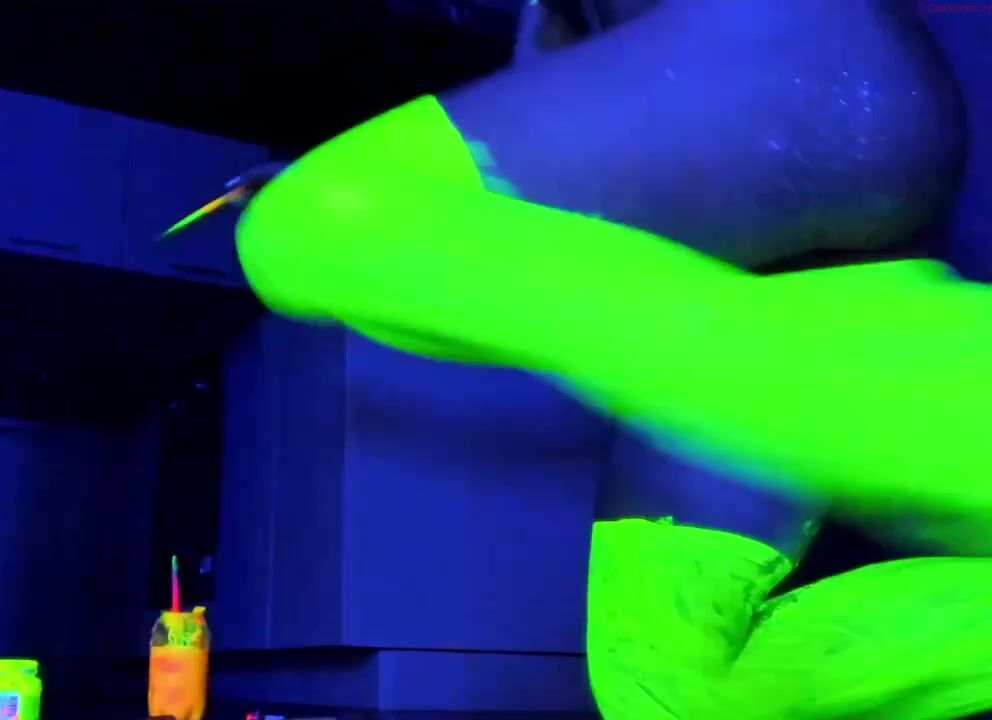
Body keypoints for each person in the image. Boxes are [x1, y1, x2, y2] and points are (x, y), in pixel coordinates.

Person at [224, 0, 992, 717]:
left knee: (311, 229)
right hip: (782, 259)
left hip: (805, 79)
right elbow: (556, 84)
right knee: (665, 689)